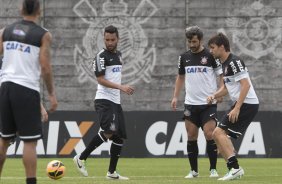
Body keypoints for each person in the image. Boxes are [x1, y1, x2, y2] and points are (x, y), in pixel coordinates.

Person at [0, 0, 58, 183]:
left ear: (21, 9)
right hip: (26, 90)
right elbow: (45, 67)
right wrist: (51, 95)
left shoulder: (5, 31)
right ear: (39, 11)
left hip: (5, 87)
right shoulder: (43, 35)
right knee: (29, 142)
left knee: (3, 140)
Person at [73, 25, 134, 180]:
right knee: (108, 131)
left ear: (118, 39)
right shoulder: (101, 56)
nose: (110, 42)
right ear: (103, 39)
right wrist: (121, 87)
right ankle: (81, 158)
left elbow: (112, 77)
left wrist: (120, 89)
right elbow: (100, 79)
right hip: (104, 100)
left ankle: (111, 172)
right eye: (107, 39)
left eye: (113, 39)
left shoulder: (119, 55)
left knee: (118, 137)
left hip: (115, 101)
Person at [171, 26, 223, 179]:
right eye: (189, 41)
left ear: (200, 40)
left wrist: (219, 93)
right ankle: (194, 171)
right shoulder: (183, 57)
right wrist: (175, 96)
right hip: (190, 103)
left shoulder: (210, 55)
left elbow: (221, 75)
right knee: (191, 136)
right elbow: (180, 77)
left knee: (209, 134)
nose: (191, 44)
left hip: (208, 103)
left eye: (194, 41)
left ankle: (213, 169)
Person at [207, 33, 259, 180]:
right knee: (217, 134)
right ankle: (233, 169)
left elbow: (246, 85)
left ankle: (235, 169)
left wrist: (237, 108)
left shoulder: (234, 61)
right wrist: (214, 96)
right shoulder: (224, 64)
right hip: (241, 103)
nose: (211, 51)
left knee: (218, 133)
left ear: (222, 47)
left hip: (247, 104)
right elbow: (226, 89)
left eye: (213, 47)